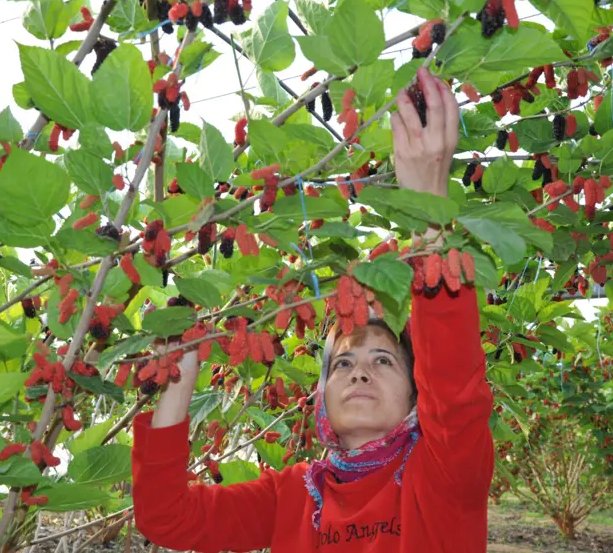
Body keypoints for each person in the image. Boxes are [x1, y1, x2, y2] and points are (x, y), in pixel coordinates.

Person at [131, 67, 494, 552]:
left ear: (415, 394)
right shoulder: (294, 494)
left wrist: (429, 211)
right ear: (322, 395)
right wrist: (178, 378)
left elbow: (455, 392)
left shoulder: (444, 475)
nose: (359, 373)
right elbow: (167, 518)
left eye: (383, 360)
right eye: (342, 364)